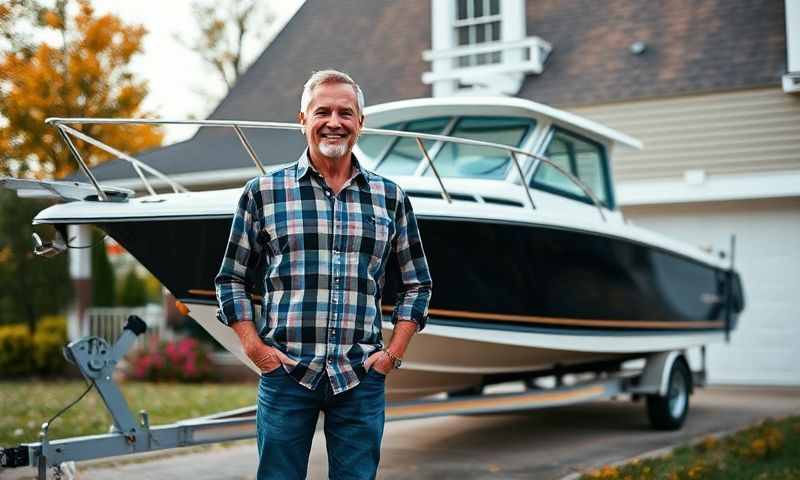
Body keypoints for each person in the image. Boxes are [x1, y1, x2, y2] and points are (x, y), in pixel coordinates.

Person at [214, 69, 432, 480]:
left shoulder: (390, 197)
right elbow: (231, 279)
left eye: (345, 113)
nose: (334, 122)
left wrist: (392, 355)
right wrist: (255, 349)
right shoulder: (263, 193)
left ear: (360, 123)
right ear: (303, 120)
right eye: (323, 112)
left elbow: (417, 282)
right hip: (285, 374)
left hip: (360, 376)